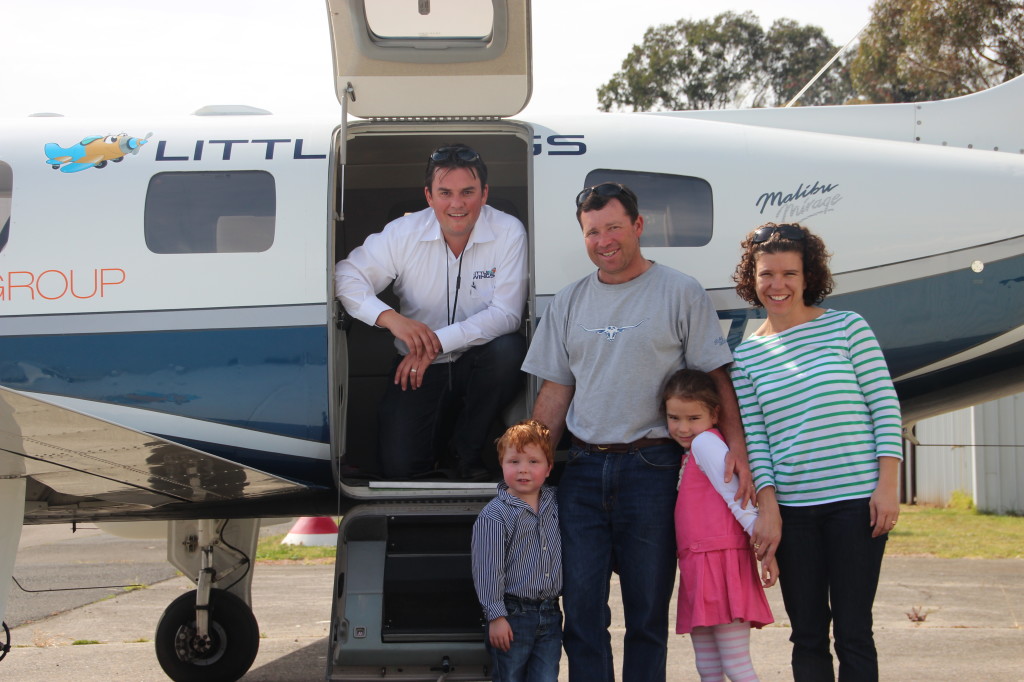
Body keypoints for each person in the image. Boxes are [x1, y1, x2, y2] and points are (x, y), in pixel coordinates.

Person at [522, 182, 753, 682]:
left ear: (638, 226)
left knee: (647, 615)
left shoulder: (680, 290)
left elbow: (715, 378)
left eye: (613, 228)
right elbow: (555, 394)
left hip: (653, 469)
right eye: (592, 232)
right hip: (582, 471)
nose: (603, 240)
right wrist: (528, 464)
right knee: (582, 613)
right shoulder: (569, 302)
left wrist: (739, 448)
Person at [730, 222, 902, 681]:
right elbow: (759, 442)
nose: (778, 285)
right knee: (806, 634)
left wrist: (888, 486)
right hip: (795, 513)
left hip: (856, 506)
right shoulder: (746, 357)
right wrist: (769, 510)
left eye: (789, 273)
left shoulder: (848, 327)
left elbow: (884, 407)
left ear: (808, 277)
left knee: (854, 632)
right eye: (767, 274)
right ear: (752, 277)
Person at [335, 144, 528, 480]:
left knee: (509, 349)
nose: (457, 203)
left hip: (478, 362)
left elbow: (508, 314)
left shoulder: (509, 231)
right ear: (428, 196)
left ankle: (464, 452)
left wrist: (436, 342)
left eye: (468, 192)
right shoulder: (402, 233)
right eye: (445, 192)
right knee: (399, 469)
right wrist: (390, 319)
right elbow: (346, 276)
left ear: (484, 194)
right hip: (417, 369)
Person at [662, 368, 776, 682]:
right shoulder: (691, 449)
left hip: (721, 564)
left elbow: (737, 499)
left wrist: (766, 548)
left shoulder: (705, 445)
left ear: (714, 414)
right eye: (674, 418)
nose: (683, 428)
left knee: (737, 667)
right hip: (699, 565)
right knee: (708, 667)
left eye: (693, 418)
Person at [471, 419, 563, 681]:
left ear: (549, 468)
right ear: (502, 465)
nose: (523, 470)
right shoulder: (495, 515)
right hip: (513, 616)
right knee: (509, 677)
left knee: (546, 677)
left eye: (533, 462)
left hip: (550, 613)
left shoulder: (556, 503)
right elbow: (488, 570)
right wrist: (496, 616)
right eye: (514, 462)